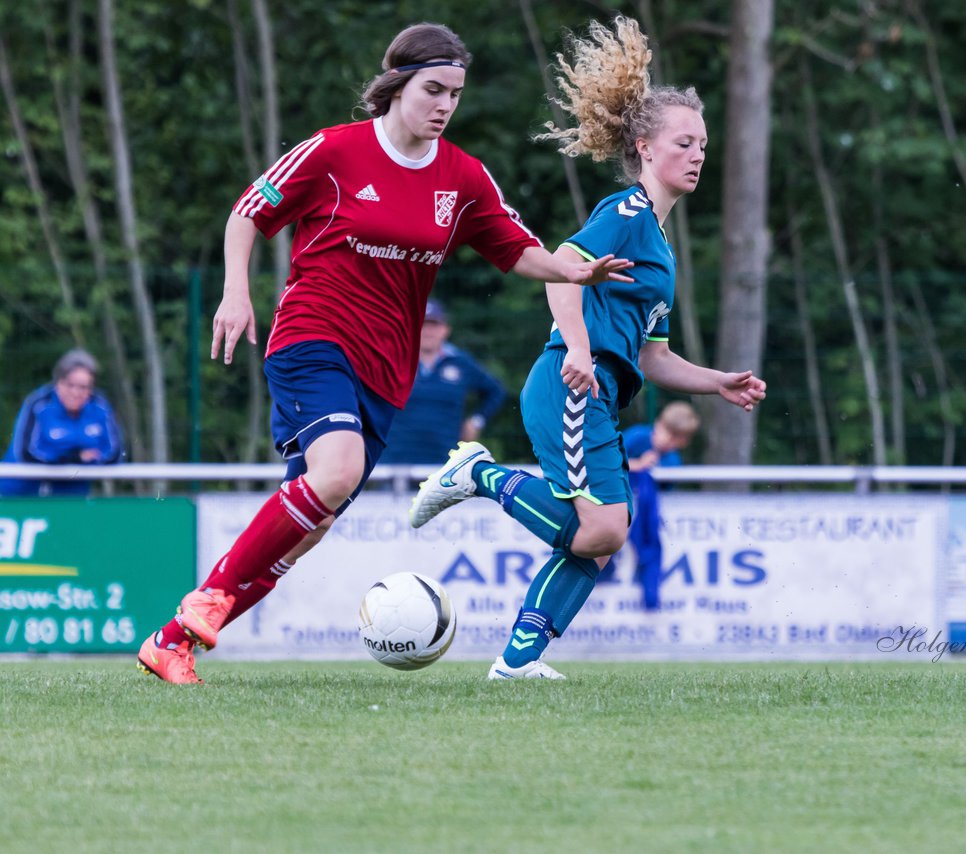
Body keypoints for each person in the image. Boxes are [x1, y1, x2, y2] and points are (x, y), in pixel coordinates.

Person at [136, 22, 632, 684]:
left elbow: (517, 251)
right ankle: (207, 599)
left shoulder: (463, 178)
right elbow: (247, 212)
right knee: (335, 473)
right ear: (397, 85)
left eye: (455, 93)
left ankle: (173, 642)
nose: (444, 105)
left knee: (308, 527)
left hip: (385, 372)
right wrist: (235, 293)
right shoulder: (334, 152)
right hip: (312, 337)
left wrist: (575, 273)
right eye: (433, 89)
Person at [409, 16, 767, 680]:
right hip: (573, 383)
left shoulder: (657, 243)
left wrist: (717, 381)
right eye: (685, 142)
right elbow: (561, 270)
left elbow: (654, 357)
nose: (698, 155)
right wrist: (576, 347)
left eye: (704, 145)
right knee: (603, 530)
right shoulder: (626, 214)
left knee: (599, 541)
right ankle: (478, 474)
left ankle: (517, 663)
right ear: (646, 147)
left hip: (600, 391)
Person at [380, 299, 506, 465]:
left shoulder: (460, 362)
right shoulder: (394, 359)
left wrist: (476, 421)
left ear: (446, 330)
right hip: (394, 462)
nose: (428, 332)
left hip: (444, 462)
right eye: (423, 325)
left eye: (434, 325)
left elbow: (496, 391)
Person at [612, 401, 701, 610]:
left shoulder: (672, 459)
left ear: (683, 442)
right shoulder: (637, 437)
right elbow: (608, 461)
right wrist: (636, 465)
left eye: (676, 438)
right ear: (658, 424)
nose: (668, 440)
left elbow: (666, 487)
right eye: (666, 432)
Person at [0, 348, 123, 497]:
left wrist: (85, 460)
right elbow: (25, 453)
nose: (76, 393)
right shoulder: (39, 405)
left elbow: (114, 453)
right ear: (58, 383)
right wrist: (72, 458)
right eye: (70, 385)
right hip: (20, 493)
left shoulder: (100, 407)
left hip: (71, 495)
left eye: (83, 387)